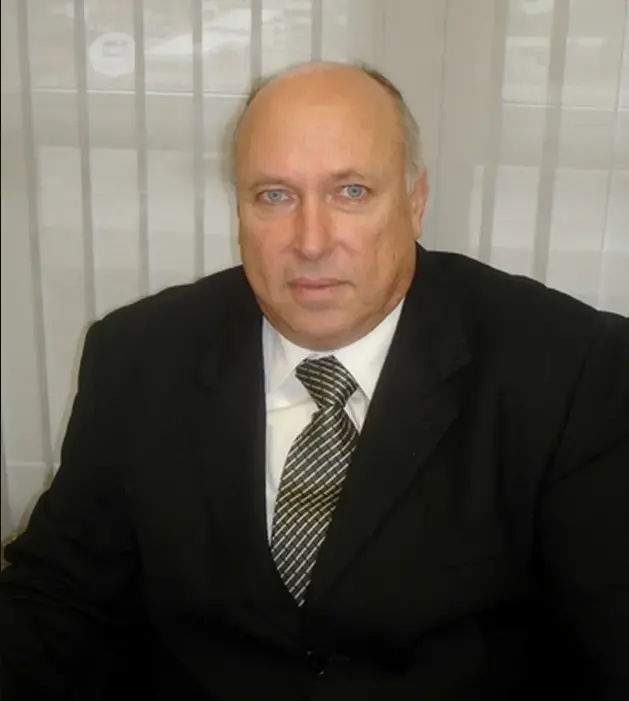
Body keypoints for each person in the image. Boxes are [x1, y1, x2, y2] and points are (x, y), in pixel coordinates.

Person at [0, 60, 628, 701]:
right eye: (274, 196)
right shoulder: (139, 357)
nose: (311, 241)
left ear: (414, 202)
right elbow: (59, 599)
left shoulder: (570, 370)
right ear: (239, 210)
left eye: (351, 191)